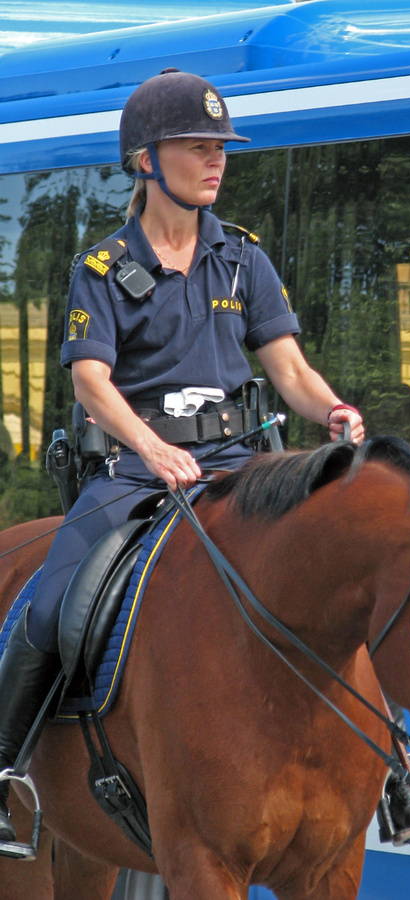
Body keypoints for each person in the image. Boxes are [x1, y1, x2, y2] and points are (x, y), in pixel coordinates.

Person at [0, 68, 364, 848]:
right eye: (195, 147)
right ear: (145, 161)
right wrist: (153, 447)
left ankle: (393, 775)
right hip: (133, 471)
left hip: (241, 464)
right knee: (49, 605)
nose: (215, 160)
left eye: (218, 147)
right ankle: (5, 774)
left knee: (349, 580)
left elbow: (288, 370)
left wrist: (332, 409)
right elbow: (92, 384)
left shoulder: (243, 259)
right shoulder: (99, 270)